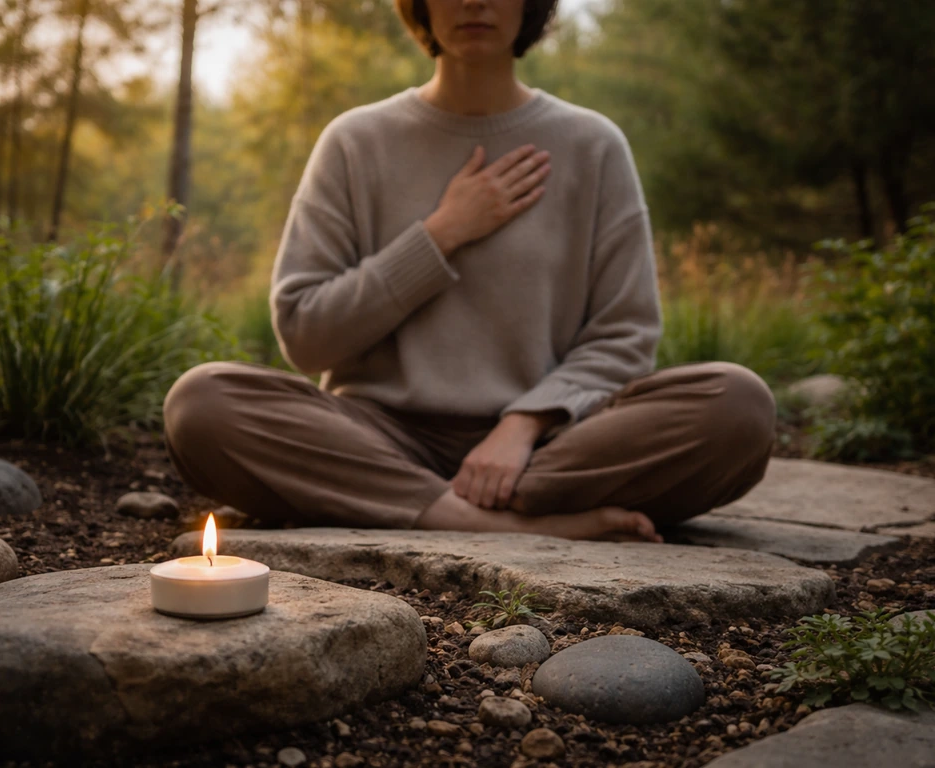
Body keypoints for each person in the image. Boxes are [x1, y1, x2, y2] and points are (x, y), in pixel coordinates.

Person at [162, 0, 777, 543]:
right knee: (201, 403)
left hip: (549, 448)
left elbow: (625, 333)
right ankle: (488, 519)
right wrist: (440, 234)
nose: (473, 1)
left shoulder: (593, 144)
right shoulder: (356, 141)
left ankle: (419, 506)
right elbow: (305, 335)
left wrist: (522, 424)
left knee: (739, 407)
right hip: (378, 439)